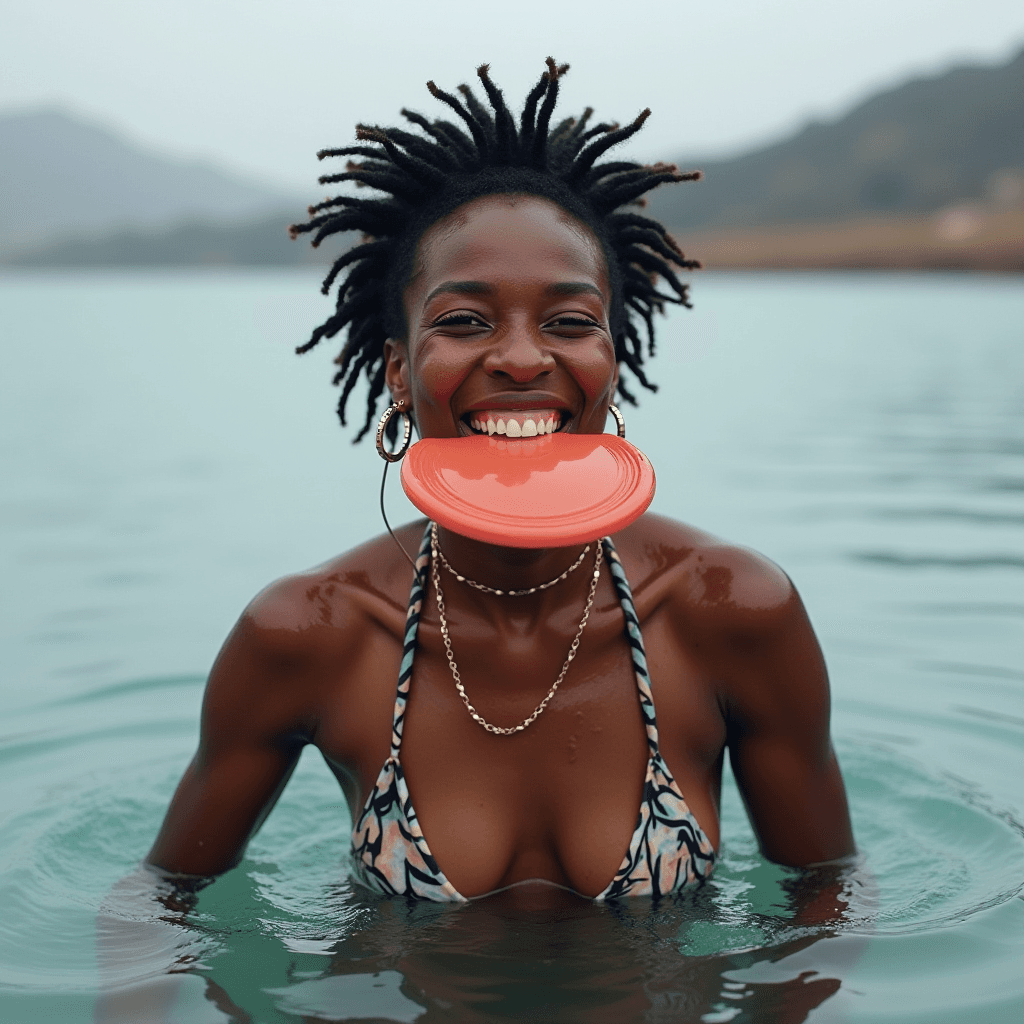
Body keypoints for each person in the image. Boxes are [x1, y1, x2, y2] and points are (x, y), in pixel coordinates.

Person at [145, 59, 855, 902]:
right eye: (465, 320)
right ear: (400, 373)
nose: (522, 357)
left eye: (568, 321)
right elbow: (159, 909)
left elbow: (826, 909)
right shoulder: (308, 633)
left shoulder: (732, 610)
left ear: (611, 363)